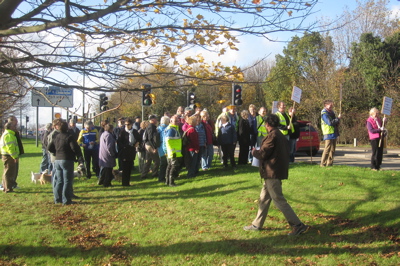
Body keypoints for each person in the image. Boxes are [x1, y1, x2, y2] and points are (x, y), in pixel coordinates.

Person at [243, 114, 309, 235]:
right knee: (263, 199)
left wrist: (254, 152)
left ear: (267, 124)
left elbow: (263, 154)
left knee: (278, 200)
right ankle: (257, 224)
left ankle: (298, 225)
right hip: (273, 172)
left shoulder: (273, 136)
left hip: (272, 173)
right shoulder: (280, 135)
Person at [48, 121, 84, 205]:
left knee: (59, 180)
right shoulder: (69, 137)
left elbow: (49, 147)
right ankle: (66, 200)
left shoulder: (56, 136)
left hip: (57, 160)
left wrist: (56, 152)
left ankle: (57, 199)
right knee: (67, 181)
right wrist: (79, 157)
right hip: (67, 159)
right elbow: (74, 148)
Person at [117, 118, 140, 186]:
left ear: (131, 125)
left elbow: (139, 139)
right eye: (126, 124)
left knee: (130, 167)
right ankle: (124, 183)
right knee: (125, 167)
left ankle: (128, 181)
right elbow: (119, 141)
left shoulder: (134, 131)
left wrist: (137, 143)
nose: (127, 126)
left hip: (131, 151)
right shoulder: (122, 132)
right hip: (124, 151)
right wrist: (124, 147)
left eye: (128, 124)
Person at [320, 100, 341, 167]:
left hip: (334, 132)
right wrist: (337, 119)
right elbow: (330, 122)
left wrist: (338, 120)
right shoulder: (324, 113)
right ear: (326, 105)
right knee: (327, 149)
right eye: (330, 105)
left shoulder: (332, 112)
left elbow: (335, 122)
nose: (331, 106)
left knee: (333, 149)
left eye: (332, 105)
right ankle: (323, 163)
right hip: (328, 132)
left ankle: (330, 163)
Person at [1, 122, 20, 193]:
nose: (15, 127)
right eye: (14, 126)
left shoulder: (7, 134)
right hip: (9, 156)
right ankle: (8, 188)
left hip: (7, 155)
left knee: (7, 171)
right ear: (10, 127)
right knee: (9, 172)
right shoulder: (9, 135)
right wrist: (15, 156)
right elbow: (10, 148)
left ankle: (6, 187)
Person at [6, 116, 24, 189]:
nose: (17, 122)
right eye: (15, 121)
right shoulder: (9, 132)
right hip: (11, 154)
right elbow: (10, 145)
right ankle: (8, 184)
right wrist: (14, 155)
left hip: (16, 152)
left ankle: (13, 183)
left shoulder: (14, 130)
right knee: (10, 171)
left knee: (14, 170)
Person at [165, 115, 183, 186]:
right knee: (174, 166)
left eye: (178, 121)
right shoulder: (171, 129)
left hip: (173, 151)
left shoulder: (175, 128)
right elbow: (168, 141)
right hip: (173, 152)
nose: (177, 122)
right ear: (171, 121)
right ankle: (171, 182)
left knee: (169, 166)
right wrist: (172, 151)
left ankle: (167, 181)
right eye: (175, 121)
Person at [141, 115, 160, 179]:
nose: (156, 120)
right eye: (155, 119)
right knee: (157, 161)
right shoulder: (151, 127)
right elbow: (150, 138)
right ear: (152, 120)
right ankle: (154, 173)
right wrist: (154, 147)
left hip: (148, 145)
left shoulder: (151, 126)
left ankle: (144, 174)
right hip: (150, 145)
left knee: (148, 161)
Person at [157, 116, 170, 183]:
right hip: (163, 148)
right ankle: (161, 177)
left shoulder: (158, 128)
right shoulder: (166, 129)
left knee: (163, 163)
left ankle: (163, 176)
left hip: (160, 147)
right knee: (164, 163)